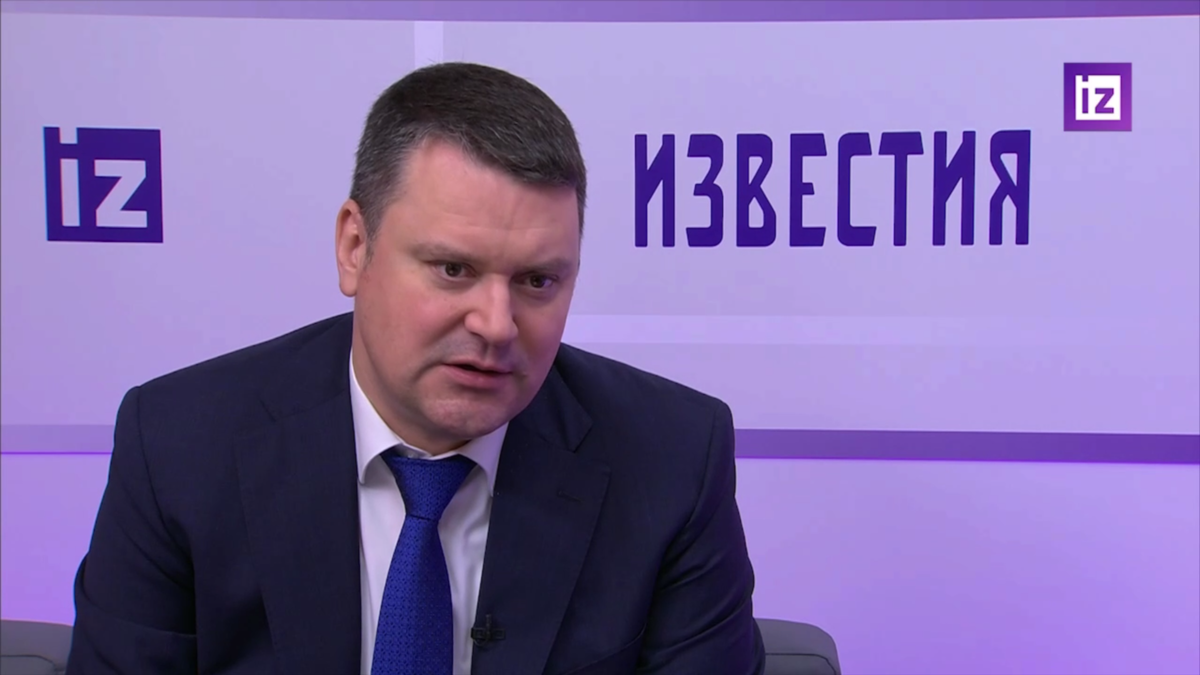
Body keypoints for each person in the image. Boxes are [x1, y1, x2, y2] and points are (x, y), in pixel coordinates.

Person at [66, 61, 766, 675]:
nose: (497, 324)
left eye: (538, 281)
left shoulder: (672, 460)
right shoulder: (180, 448)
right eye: (453, 269)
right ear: (354, 247)